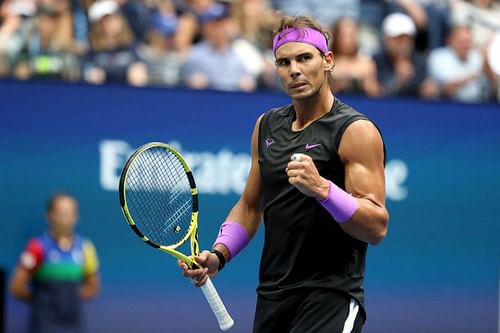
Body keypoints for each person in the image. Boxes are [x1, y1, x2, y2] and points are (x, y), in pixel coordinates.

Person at [179, 15, 389, 332]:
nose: (294, 70)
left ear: (328, 61)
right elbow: (251, 205)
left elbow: (376, 227)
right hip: (273, 296)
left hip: (330, 296)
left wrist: (323, 190)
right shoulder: (266, 125)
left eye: (304, 58)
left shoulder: (356, 131)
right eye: (284, 62)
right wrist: (219, 255)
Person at [9, 193, 100, 333]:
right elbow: (16, 287)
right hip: (43, 326)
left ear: (76, 216)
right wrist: (41, 302)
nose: (64, 219)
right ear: (49, 215)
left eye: (69, 213)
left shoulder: (85, 247)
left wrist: (69, 299)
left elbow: (92, 288)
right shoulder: (36, 247)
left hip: (75, 325)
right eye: (60, 213)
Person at [426, 24, 491, 102]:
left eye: (468, 42)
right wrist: (477, 72)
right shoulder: (438, 57)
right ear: (450, 41)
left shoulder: (477, 56)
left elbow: (492, 87)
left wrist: (487, 64)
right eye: (462, 42)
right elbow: (448, 88)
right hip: (447, 105)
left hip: (479, 106)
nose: (466, 46)